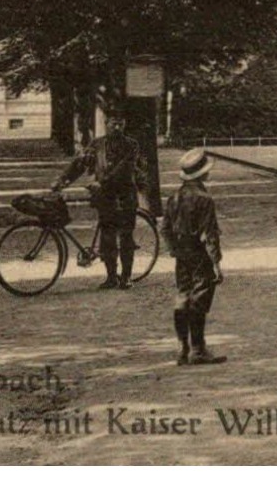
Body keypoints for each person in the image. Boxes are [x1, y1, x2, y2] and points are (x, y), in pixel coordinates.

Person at [51, 114, 142, 290]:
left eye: (120, 124)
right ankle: (111, 277)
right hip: (105, 196)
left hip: (125, 196)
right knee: (107, 237)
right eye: (113, 124)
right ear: (106, 124)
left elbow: (123, 168)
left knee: (125, 236)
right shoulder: (97, 144)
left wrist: (102, 182)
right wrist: (62, 181)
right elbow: (80, 163)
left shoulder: (131, 145)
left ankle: (126, 277)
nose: (117, 128)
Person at [163, 147, 226, 366]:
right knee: (199, 298)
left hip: (182, 254)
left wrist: (173, 249)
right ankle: (198, 349)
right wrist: (216, 263)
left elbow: (165, 229)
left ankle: (182, 347)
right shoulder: (204, 199)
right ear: (202, 174)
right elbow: (209, 234)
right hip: (200, 255)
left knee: (182, 296)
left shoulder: (174, 197)